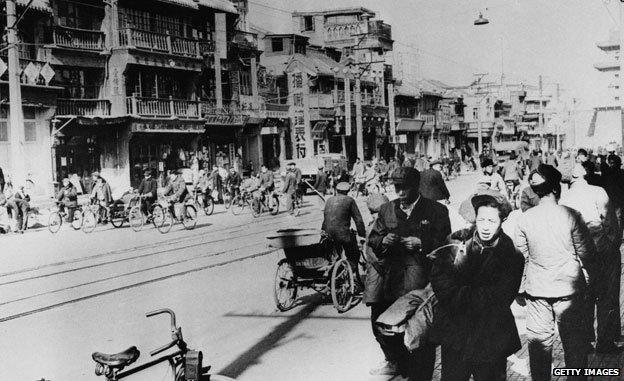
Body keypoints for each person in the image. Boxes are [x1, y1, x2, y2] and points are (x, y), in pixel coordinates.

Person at [431, 189, 524, 381]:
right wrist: (465, 295)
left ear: (502, 221)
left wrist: (459, 295)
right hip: (456, 336)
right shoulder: (455, 242)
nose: (485, 227)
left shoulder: (511, 254)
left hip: (490, 338)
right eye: (481, 220)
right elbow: (439, 279)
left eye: (492, 221)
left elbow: (500, 297)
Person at [368, 167, 451, 380]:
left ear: (416, 187)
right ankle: (403, 367)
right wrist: (383, 241)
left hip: (423, 288)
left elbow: (446, 247)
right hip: (392, 286)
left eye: (405, 187)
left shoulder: (436, 211)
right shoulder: (386, 210)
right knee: (392, 336)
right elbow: (373, 240)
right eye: (397, 187)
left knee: (423, 340)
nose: (400, 192)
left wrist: (422, 244)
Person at [515, 164, 596, 380]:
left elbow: (520, 259)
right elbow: (587, 253)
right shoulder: (571, 215)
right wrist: (590, 280)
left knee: (539, 349)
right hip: (570, 291)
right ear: (556, 188)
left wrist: (520, 290)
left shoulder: (525, 219)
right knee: (575, 348)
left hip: (537, 291)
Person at [560, 164, 622, 353]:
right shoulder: (598, 191)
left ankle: (585, 341)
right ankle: (605, 341)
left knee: (583, 296)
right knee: (606, 296)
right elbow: (610, 220)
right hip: (602, 251)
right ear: (585, 174)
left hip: (579, 254)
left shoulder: (565, 198)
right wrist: (613, 245)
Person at [363, 193, 395, 376]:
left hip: (379, 285)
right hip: (394, 283)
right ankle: (400, 360)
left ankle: (393, 361)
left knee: (379, 325)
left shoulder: (374, 228)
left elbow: (376, 259)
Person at [321, 181, 366, 282]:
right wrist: (362, 234)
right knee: (353, 254)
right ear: (348, 191)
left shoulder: (329, 200)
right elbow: (358, 220)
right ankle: (347, 273)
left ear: (337, 190)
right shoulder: (349, 200)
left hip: (328, 234)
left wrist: (323, 233)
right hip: (343, 234)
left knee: (334, 254)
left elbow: (326, 218)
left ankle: (335, 272)